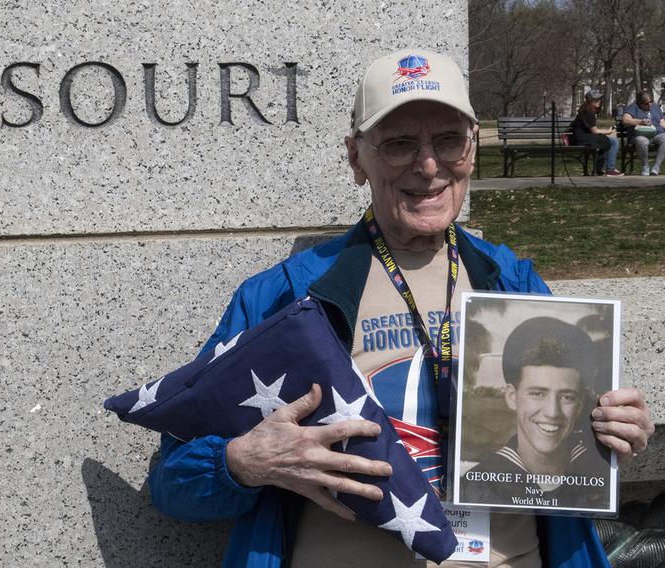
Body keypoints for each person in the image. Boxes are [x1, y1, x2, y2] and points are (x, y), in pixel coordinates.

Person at [148, 49, 654, 568]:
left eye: (448, 140)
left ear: (473, 150)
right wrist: (243, 461)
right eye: (399, 145)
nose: (429, 165)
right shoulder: (284, 296)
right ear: (355, 158)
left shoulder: (515, 284)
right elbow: (172, 479)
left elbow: (572, 447)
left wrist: (613, 430)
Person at [461, 318, 610, 509]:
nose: (552, 412)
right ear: (512, 397)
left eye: (567, 396)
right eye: (537, 394)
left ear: (580, 403)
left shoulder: (601, 473)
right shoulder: (475, 485)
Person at [570, 90, 624, 176]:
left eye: (599, 99)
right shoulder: (589, 113)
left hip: (581, 137)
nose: (599, 101)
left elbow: (592, 130)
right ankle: (610, 169)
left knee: (605, 141)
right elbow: (594, 131)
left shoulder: (587, 111)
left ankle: (599, 169)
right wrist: (608, 131)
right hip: (582, 139)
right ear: (590, 101)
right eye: (596, 100)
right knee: (614, 141)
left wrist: (605, 133)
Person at [621, 90, 665, 175]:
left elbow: (662, 122)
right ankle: (645, 166)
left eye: (651, 102)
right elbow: (625, 120)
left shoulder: (655, 107)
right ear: (639, 103)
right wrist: (641, 121)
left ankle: (656, 167)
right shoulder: (633, 108)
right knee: (641, 141)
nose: (649, 105)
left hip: (656, 134)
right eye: (646, 103)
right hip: (641, 135)